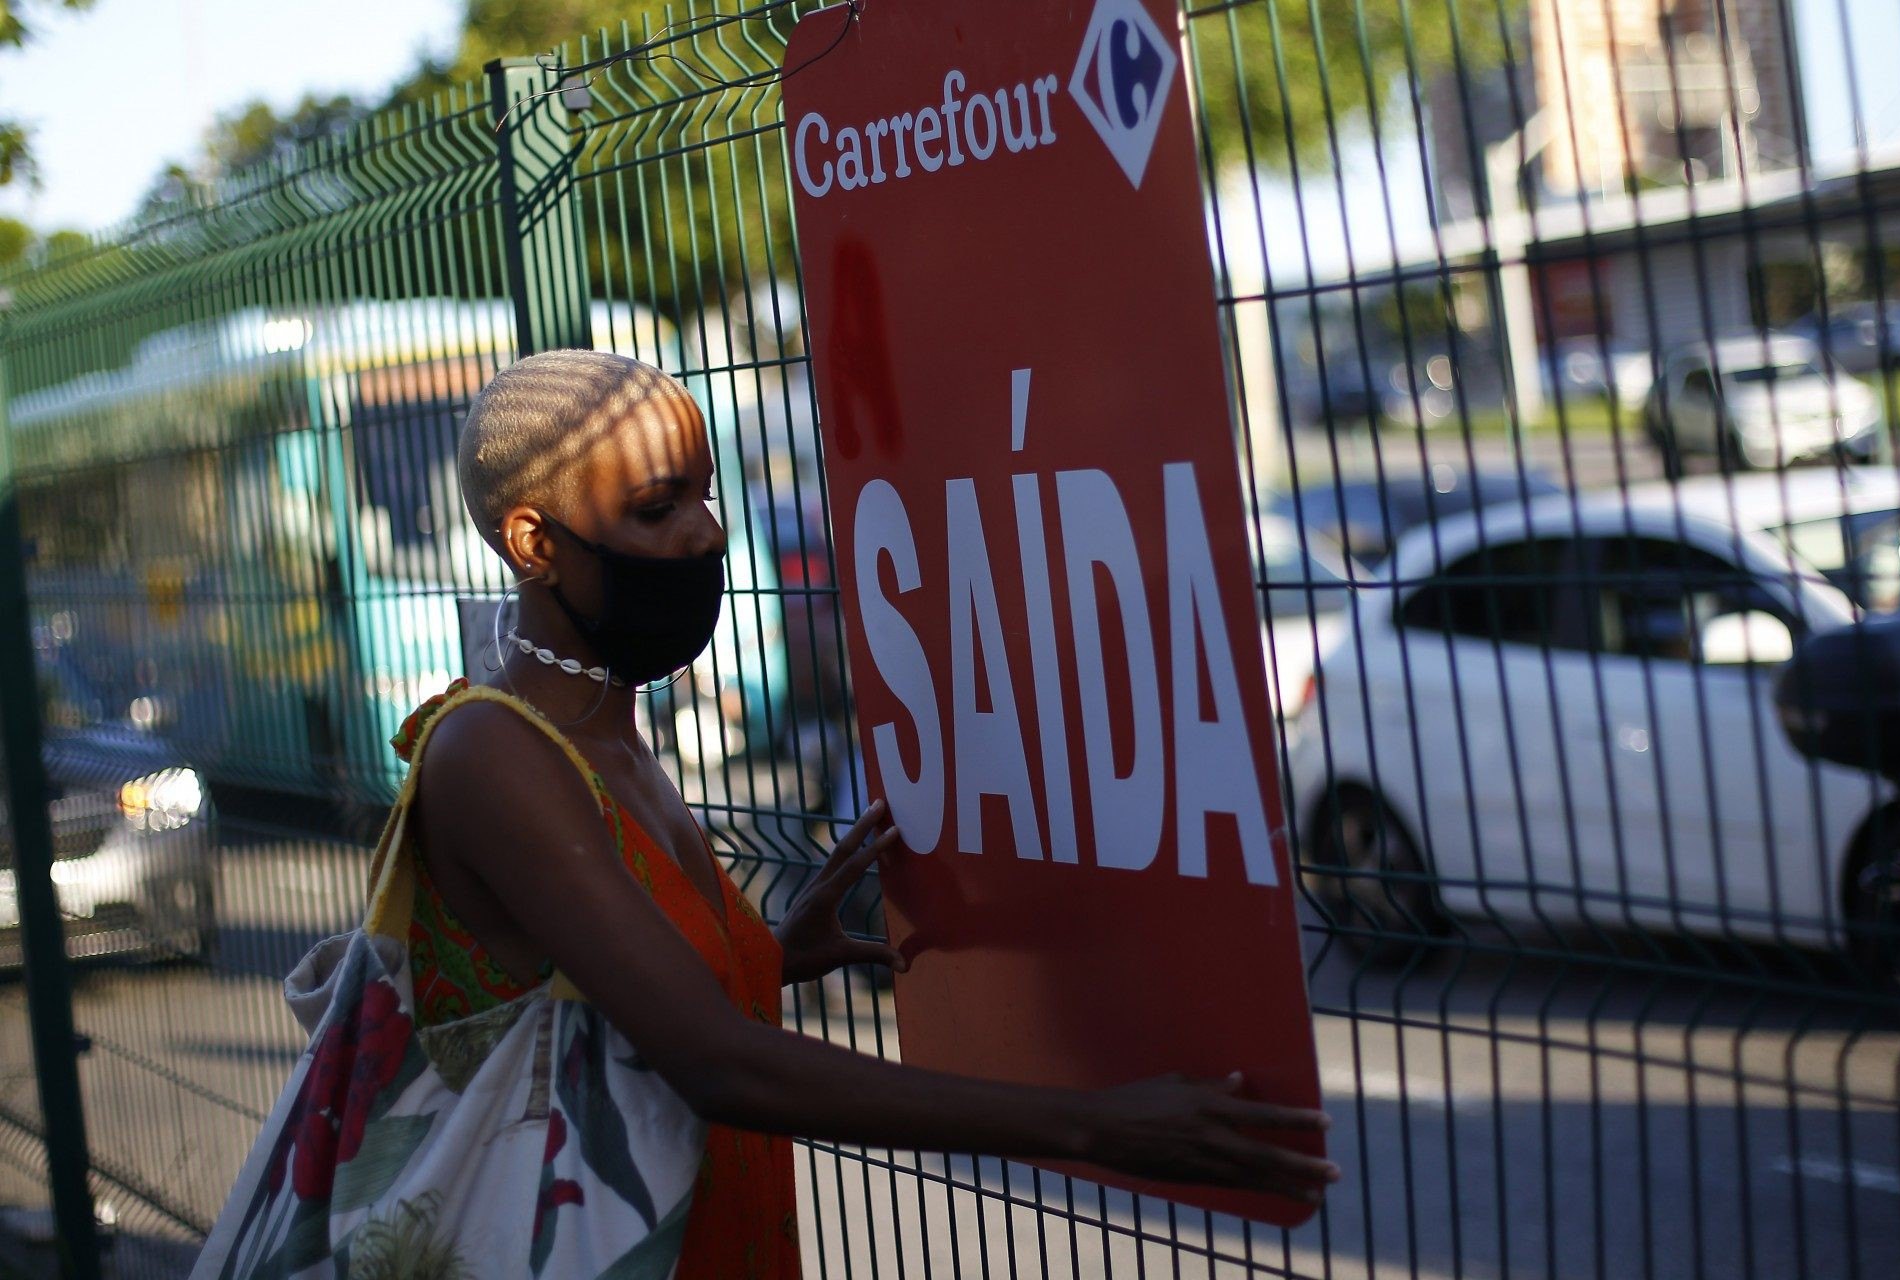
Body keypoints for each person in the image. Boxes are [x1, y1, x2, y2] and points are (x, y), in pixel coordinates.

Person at [217, 350, 1337, 1279]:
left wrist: (766, 953)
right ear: (533, 541)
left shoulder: (611, 726)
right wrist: (1101, 1123)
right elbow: (715, 1064)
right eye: (658, 508)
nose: (705, 533)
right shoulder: (492, 752)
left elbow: (592, 994)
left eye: (706, 491)